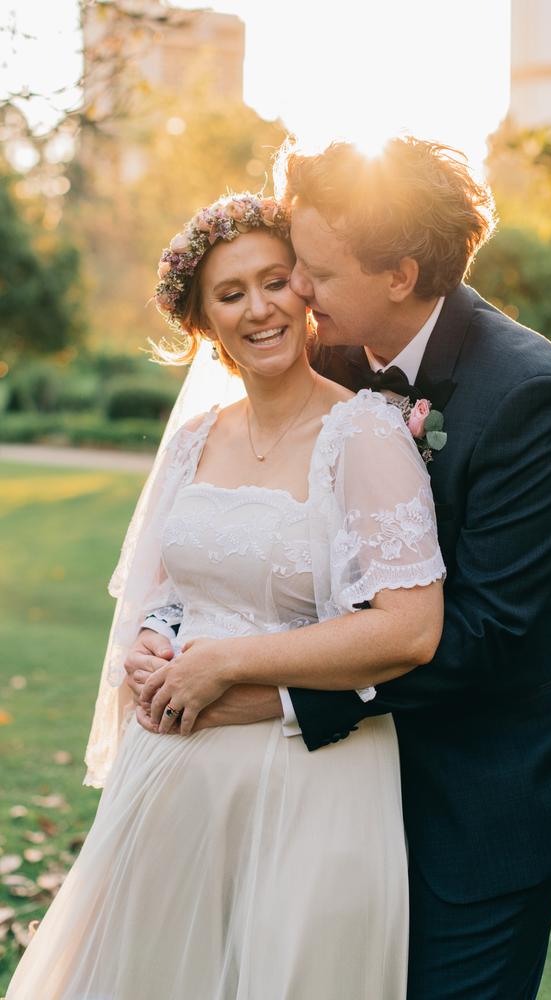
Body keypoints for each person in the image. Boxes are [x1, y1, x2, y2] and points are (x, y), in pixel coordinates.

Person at [130, 138, 551, 1000]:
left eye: (314, 272)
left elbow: (482, 633)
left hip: (490, 786)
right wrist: (173, 632)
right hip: (347, 782)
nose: (294, 291)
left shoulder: (523, 392)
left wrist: (267, 696)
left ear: (400, 276)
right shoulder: (333, 353)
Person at [5, 193, 445, 1000]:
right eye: (231, 293)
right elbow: (166, 591)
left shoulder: (369, 434)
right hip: (174, 768)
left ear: (305, 291)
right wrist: (151, 643)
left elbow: (411, 632)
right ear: (203, 321)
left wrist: (228, 667)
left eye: (274, 281)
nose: (260, 309)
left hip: (311, 776)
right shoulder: (194, 441)